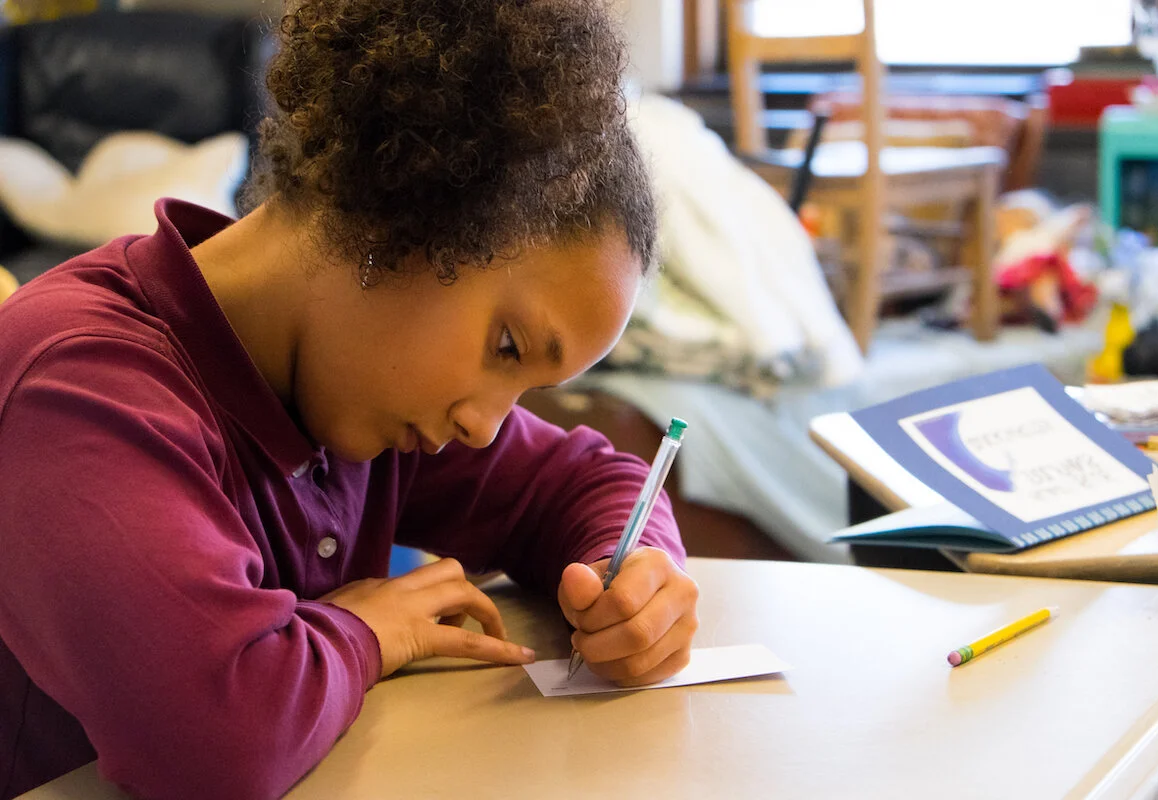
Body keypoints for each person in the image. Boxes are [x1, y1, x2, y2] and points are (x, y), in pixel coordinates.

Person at [0, 2, 699, 798]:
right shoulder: (75, 386)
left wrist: (634, 572)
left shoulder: (351, 384)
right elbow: (219, 740)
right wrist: (366, 630)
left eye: (527, 389)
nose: (482, 427)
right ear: (392, 220)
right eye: (506, 347)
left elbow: (582, 481)